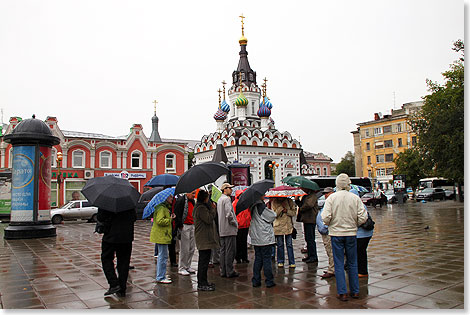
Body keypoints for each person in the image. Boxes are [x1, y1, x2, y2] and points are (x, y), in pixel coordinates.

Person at [321, 174, 368, 301]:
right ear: (348, 183)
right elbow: (363, 216)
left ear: (336, 184)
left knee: (339, 263)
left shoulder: (331, 198)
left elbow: (325, 217)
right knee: (353, 263)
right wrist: (355, 224)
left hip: (336, 234)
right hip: (351, 234)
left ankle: (342, 292)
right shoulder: (355, 198)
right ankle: (355, 291)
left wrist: (330, 224)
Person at [98, 207, 136, 297]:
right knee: (124, 262)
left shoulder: (106, 203)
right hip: (126, 237)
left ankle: (114, 284)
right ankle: (122, 289)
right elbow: (134, 218)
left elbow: (100, 217)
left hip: (110, 236)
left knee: (106, 259)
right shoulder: (128, 204)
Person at [193, 190, 219, 291]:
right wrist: (213, 209)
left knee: (205, 260)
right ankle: (201, 283)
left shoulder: (202, 207)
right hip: (203, 238)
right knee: (203, 262)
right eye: (207, 197)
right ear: (204, 198)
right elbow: (208, 219)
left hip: (205, 238)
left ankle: (204, 281)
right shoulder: (200, 208)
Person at [249, 197, 277, 288]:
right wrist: (270, 209)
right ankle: (269, 280)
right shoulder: (260, 206)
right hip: (264, 237)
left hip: (257, 237)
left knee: (258, 259)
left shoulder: (252, 206)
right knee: (266, 259)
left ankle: (256, 280)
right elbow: (271, 216)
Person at [150, 194, 176, 284]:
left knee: (163, 255)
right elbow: (159, 221)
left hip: (162, 235)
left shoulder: (164, 207)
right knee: (163, 256)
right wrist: (170, 219)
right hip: (162, 235)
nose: (172, 199)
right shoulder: (161, 208)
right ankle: (160, 276)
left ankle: (161, 275)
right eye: (170, 197)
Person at [350, 188, 374, 278]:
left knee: (360, 253)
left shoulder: (357, 205)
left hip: (361, 234)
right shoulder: (360, 204)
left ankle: (362, 271)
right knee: (361, 252)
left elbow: (360, 220)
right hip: (365, 233)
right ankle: (360, 270)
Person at [217, 183, 239, 278]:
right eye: (230, 188)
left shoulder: (219, 199)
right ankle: (229, 271)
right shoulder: (227, 199)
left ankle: (223, 270)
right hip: (229, 229)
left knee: (223, 251)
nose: (231, 190)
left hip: (222, 229)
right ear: (225, 189)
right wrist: (235, 223)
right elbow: (229, 214)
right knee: (230, 251)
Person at [174, 190, 197, 276]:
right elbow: (177, 213)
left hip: (191, 225)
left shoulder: (192, 201)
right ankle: (182, 267)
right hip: (185, 226)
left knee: (191, 247)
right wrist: (180, 225)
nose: (194, 195)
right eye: (193, 193)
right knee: (184, 248)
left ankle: (187, 265)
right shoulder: (181, 201)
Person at [295, 187, 320, 263]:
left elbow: (308, 205)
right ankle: (310, 255)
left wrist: (301, 208)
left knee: (310, 239)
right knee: (307, 238)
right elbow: (301, 204)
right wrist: (296, 200)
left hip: (310, 219)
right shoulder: (306, 195)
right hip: (306, 219)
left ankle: (313, 256)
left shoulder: (312, 195)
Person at [271, 197, 296, 268]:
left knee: (289, 244)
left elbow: (293, 213)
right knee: (280, 245)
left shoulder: (289, 201)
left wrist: (287, 211)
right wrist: (281, 208)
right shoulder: (274, 202)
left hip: (288, 226)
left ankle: (292, 262)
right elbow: (274, 214)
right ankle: (280, 261)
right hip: (278, 227)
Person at [316, 187, 335, 279]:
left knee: (331, 251)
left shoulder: (332, 202)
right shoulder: (328, 202)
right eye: (324, 193)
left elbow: (329, 217)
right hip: (324, 231)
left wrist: (325, 226)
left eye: (327, 193)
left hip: (328, 231)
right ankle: (332, 268)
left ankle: (332, 270)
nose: (325, 195)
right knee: (329, 250)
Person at [233, 189, 250, 264]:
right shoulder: (235, 203)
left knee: (243, 242)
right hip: (240, 225)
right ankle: (239, 257)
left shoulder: (244, 203)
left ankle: (243, 257)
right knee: (239, 242)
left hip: (245, 225)